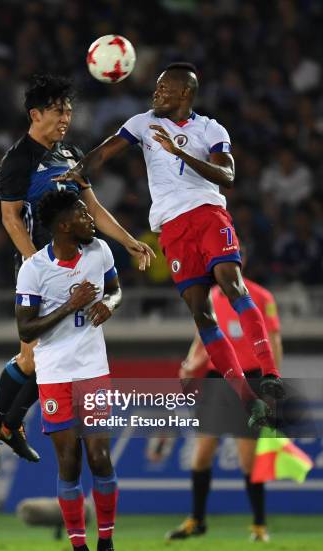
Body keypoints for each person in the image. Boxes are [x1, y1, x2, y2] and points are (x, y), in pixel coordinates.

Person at [56, 62, 284, 427]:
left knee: (232, 285)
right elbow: (103, 152)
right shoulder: (142, 123)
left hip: (208, 214)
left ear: (184, 94)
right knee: (200, 312)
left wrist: (180, 154)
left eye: (163, 89)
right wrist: (78, 170)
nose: (156, 94)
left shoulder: (210, 128)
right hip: (172, 229)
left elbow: (227, 175)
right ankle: (247, 398)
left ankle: (270, 376)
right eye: (157, 89)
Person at [0, 74, 153, 476]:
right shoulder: (18, 159)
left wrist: (127, 241)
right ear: (35, 114)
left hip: (74, 265)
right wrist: (39, 267)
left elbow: (93, 206)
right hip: (40, 267)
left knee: (38, 358)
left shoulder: (71, 154)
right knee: (37, 356)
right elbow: (11, 218)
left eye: (69, 110)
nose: (65, 117)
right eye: (58, 110)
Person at [15, 189, 127, 551]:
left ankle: (107, 548)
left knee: (100, 458)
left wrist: (108, 305)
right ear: (63, 226)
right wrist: (69, 304)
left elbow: (115, 290)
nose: (89, 217)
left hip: (93, 368)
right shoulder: (34, 269)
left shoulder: (99, 251)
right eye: (82, 213)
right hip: (55, 374)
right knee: (69, 463)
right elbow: (25, 328)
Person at [156, 246, 282, 542]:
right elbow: (202, 337)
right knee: (201, 455)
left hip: (249, 381)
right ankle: (197, 521)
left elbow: (273, 340)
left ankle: (259, 525)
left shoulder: (261, 298)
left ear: (241, 261)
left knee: (248, 461)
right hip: (217, 379)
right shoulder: (211, 296)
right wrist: (190, 365)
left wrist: (272, 382)